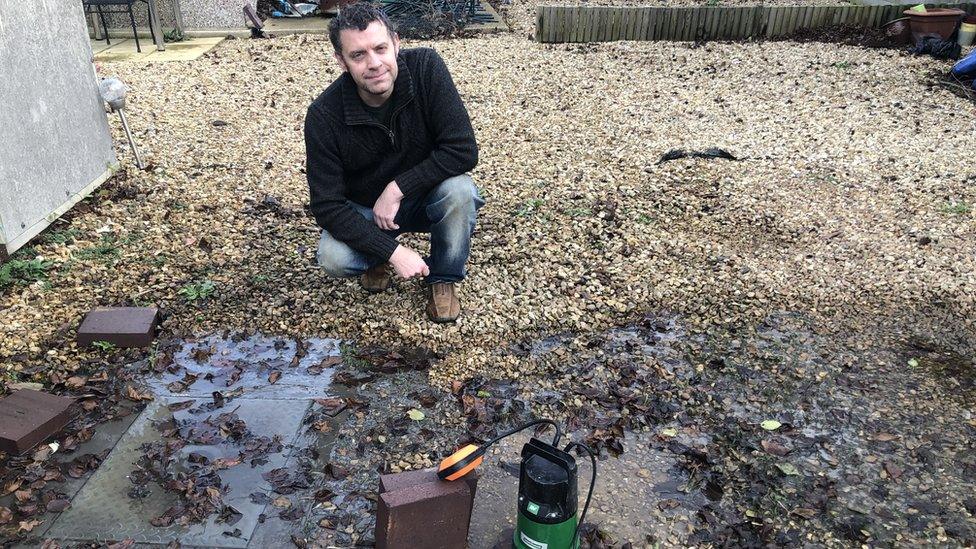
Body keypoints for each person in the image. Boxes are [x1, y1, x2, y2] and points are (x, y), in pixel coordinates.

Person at [305, 1, 483, 323]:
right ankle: (376, 256)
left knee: (461, 192)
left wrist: (398, 187)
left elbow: (463, 149)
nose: (374, 63)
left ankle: (443, 277)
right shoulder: (323, 116)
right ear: (341, 61)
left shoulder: (426, 68)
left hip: (428, 195)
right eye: (358, 55)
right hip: (366, 209)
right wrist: (392, 251)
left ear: (396, 43)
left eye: (380, 48)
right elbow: (326, 204)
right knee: (333, 258)